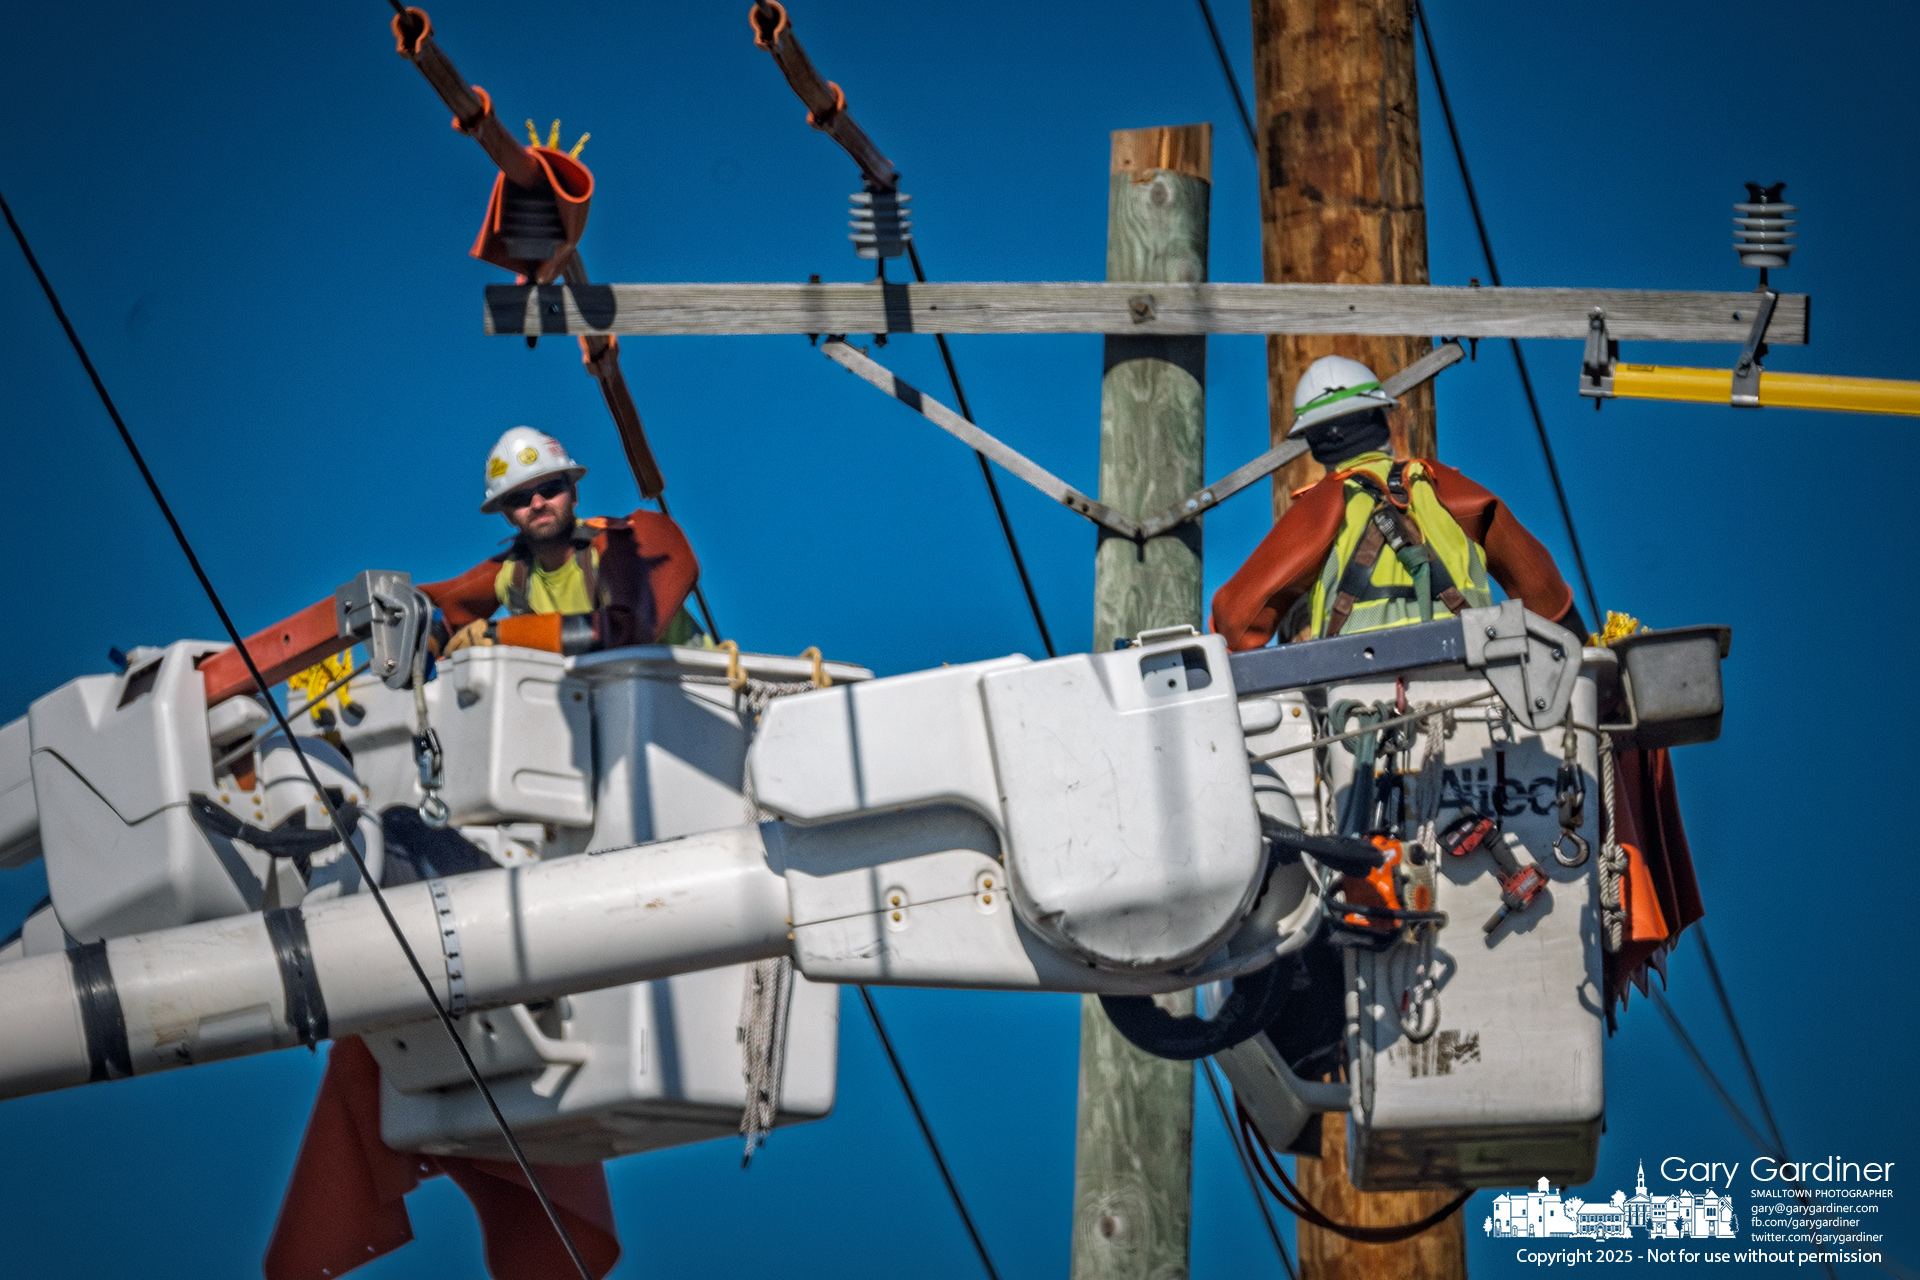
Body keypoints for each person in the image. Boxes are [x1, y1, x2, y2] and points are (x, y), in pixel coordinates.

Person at [1212, 355, 1585, 649]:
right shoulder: (1441, 486)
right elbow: (1542, 588)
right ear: (1382, 416)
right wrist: (1581, 646)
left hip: (1361, 693)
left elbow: (1237, 617)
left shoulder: (1322, 505)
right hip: (1475, 675)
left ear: (1312, 442)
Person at [425, 427, 704, 655]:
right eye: (519, 499)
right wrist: (425, 634)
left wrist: (503, 636)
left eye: (549, 489)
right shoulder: (513, 574)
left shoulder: (626, 540)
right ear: (508, 514)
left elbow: (629, 628)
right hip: (615, 707)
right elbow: (437, 605)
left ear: (573, 492)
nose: (537, 503)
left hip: (706, 697)